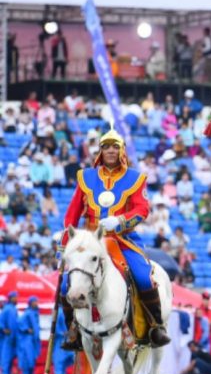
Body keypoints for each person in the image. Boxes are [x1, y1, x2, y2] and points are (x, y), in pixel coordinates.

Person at [58, 127, 170, 350]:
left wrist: (120, 221)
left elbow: (142, 210)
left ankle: (155, 326)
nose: (110, 151)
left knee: (144, 277)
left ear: (122, 151)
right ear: (100, 151)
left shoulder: (136, 178)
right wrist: (65, 245)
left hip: (122, 239)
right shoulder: (85, 177)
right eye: (106, 147)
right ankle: (73, 331)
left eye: (115, 147)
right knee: (64, 285)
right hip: (90, 240)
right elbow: (72, 214)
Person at [17, 296, 40, 374]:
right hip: (27, 339)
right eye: (35, 302)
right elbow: (19, 322)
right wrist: (26, 329)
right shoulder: (28, 312)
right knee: (27, 356)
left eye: (37, 301)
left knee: (32, 356)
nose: (36, 303)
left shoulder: (35, 313)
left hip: (34, 339)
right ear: (30, 303)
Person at [0, 292, 19, 374]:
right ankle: (4, 373)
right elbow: (1, 321)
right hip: (7, 336)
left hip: (14, 336)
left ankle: (8, 372)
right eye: (14, 297)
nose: (16, 299)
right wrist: (3, 329)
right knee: (6, 355)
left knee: (11, 356)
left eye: (16, 297)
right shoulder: (7, 309)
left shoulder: (14, 309)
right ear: (10, 298)